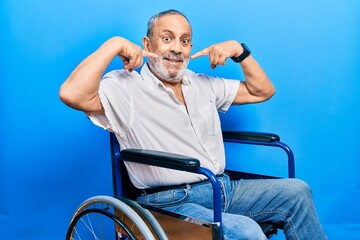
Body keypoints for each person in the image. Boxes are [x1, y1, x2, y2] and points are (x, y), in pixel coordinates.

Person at [59, 9, 327, 240]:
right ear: (147, 44)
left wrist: (239, 51)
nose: (177, 47)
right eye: (167, 38)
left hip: (222, 188)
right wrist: (113, 45)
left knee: (297, 191)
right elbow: (72, 94)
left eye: (184, 41)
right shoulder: (126, 87)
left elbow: (262, 91)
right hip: (170, 200)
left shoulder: (202, 84)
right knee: (244, 230)